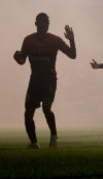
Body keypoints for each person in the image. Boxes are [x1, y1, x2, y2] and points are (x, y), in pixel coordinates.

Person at [14, 12, 76, 149]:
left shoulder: (55, 40)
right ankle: (34, 143)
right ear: (36, 24)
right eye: (40, 22)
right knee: (28, 113)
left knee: (46, 108)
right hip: (34, 81)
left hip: (49, 80)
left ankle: (54, 136)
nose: (43, 24)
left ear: (48, 24)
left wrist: (71, 40)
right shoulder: (28, 40)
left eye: (46, 22)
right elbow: (22, 60)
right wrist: (17, 57)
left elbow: (72, 55)